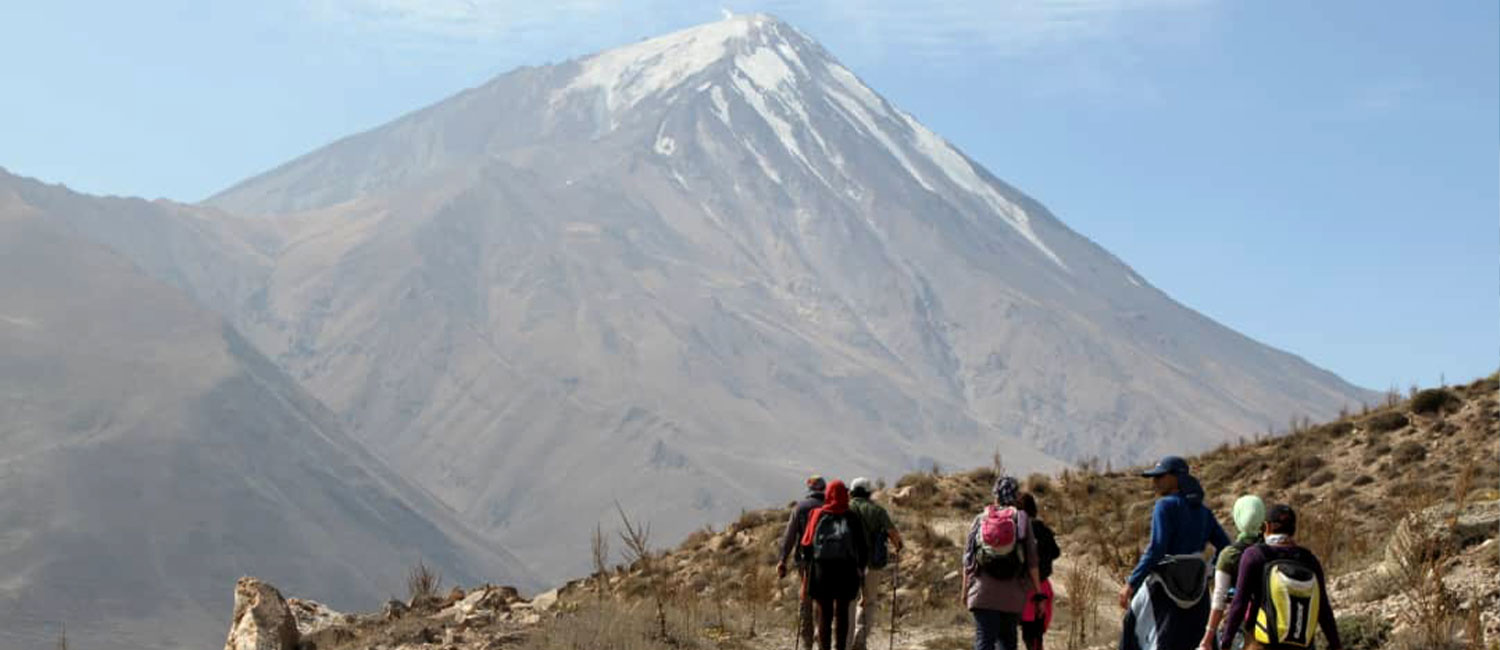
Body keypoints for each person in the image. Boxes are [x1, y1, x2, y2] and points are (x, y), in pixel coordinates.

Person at [1119, 456, 1231, 650]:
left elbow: (1157, 548)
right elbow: (1225, 547)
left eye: (1160, 477)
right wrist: (1208, 570)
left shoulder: (1165, 505)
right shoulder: (1204, 512)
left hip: (1163, 587)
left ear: (1176, 478)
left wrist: (1131, 583)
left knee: (1132, 628)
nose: (1154, 482)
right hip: (1198, 591)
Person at [1218, 505, 1343, 650]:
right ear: (1293, 529)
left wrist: (1226, 643)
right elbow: (1323, 608)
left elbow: (1239, 604)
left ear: (1266, 527)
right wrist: (1335, 644)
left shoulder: (1254, 555)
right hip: (1302, 644)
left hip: (1263, 642)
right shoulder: (1308, 559)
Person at [963, 476, 1041, 650]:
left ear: (995, 496)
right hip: (1012, 597)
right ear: (1015, 496)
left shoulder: (980, 518)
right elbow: (1032, 561)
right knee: (1007, 643)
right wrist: (1038, 593)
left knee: (984, 643)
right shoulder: (1021, 519)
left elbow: (968, 559)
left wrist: (965, 591)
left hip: (982, 594)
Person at [799, 479, 869, 650]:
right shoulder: (852, 516)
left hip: (821, 571)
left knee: (824, 613)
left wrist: (807, 568)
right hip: (846, 570)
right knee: (842, 613)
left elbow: (806, 545)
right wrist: (861, 569)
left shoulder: (817, 514)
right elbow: (862, 546)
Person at [1199, 495, 1267, 650]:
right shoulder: (1272, 552)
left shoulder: (1229, 555)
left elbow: (1219, 599)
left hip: (1238, 629)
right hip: (1270, 627)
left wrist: (1207, 638)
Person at [848, 477, 904, 650]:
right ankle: (860, 639)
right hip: (872, 563)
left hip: (848, 564)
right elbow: (893, 535)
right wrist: (899, 547)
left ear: (851, 492)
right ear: (868, 492)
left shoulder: (846, 509)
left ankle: (846, 643)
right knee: (869, 601)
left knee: (849, 602)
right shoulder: (877, 511)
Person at [780, 475, 828, 649]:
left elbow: (789, 537)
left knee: (806, 600)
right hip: (827, 563)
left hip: (805, 563)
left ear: (810, 490)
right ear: (824, 489)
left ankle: (806, 643)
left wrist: (782, 560)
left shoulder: (800, 508)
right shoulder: (831, 508)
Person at [1019, 493, 1061, 650]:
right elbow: (1056, 552)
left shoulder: (1018, 530)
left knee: (1028, 632)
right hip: (1043, 586)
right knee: (1038, 633)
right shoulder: (1043, 529)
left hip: (1024, 588)